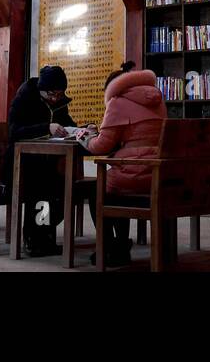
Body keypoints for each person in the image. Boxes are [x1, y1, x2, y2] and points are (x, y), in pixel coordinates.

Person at [83, 62, 167, 267]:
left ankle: (108, 246)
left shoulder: (118, 102)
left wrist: (84, 137)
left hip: (136, 174)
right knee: (115, 184)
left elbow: (102, 146)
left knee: (98, 189)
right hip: (159, 174)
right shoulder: (157, 100)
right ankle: (120, 244)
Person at [4, 64, 78, 256]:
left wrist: (79, 131)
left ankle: (43, 236)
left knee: (66, 190)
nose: (55, 99)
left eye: (59, 94)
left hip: (47, 164)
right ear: (41, 90)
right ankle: (35, 239)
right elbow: (14, 133)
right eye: (51, 94)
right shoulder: (23, 99)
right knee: (40, 191)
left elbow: (68, 123)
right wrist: (47, 128)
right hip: (21, 164)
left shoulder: (59, 103)